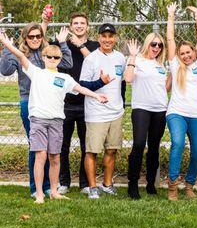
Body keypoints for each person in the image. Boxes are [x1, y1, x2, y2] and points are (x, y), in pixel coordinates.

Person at [0, 31, 107, 204]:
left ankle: (54, 191)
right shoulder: (36, 72)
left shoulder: (64, 78)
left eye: (56, 57)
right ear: (43, 57)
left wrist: (97, 96)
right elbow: (20, 55)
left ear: (59, 60)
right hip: (38, 121)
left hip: (57, 121)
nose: (52, 59)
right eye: (49, 56)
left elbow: (80, 88)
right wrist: (5, 43)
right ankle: (40, 193)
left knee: (55, 157)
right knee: (40, 156)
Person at [0, 21, 73, 198]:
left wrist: (62, 43)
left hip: (50, 106)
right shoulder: (21, 55)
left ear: (42, 37)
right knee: (37, 148)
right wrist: (7, 48)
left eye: (38, 36)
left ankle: (49, 187)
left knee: (50, 149)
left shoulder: (48, 53)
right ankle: (36, 188)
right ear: (25, 38)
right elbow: (5, 70)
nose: (34, 39)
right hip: (29, 104)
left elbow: (68, 64)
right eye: (31, 36)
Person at [58, 12, 110, 195]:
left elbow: (95, 64)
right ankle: (63, 181)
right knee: (62, 145)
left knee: (86, 146)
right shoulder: (62, 43)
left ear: (87, 26)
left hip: (88, 102)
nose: (79, 26)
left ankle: (84, 184)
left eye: (82, 23)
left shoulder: (95, 47)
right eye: (75, 23)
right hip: (65, 102)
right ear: (71, 26)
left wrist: (80, 45)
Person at [164, 4, 197, 201]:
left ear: (195, 52)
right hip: (177, 113)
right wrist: (171, 16)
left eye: (189, 52)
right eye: (182, 53)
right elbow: (170, 39)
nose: (186, 55)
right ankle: (172, 185)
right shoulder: (175, 66)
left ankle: (189, 185)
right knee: (178, 143)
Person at [80, 23, 127, 199]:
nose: (107, 40)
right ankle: (93, 187)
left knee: (112, 150)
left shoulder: (121, 58)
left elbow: (121, 83)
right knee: (92, 151)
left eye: (110, 36)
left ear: (115, 38)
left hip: (115, 112)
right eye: (104, 36)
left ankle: (107, 184)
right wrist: (100, 83)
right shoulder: (91, 59)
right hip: (96, 113)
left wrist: (120, 103)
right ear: (99, 38)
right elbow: (82, 85)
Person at [124, 32, 168, 200]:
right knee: (139, 144)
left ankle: (150, 184)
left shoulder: (161, 65)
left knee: (154, 147)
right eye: (153, 44)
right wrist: (133, 57)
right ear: (147, 44)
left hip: (160, 109)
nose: (156, 48)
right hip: (142, 108)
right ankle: (132, 184)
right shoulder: (137, 60)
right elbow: (128, 79)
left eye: (160, 45)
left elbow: (164, 87)